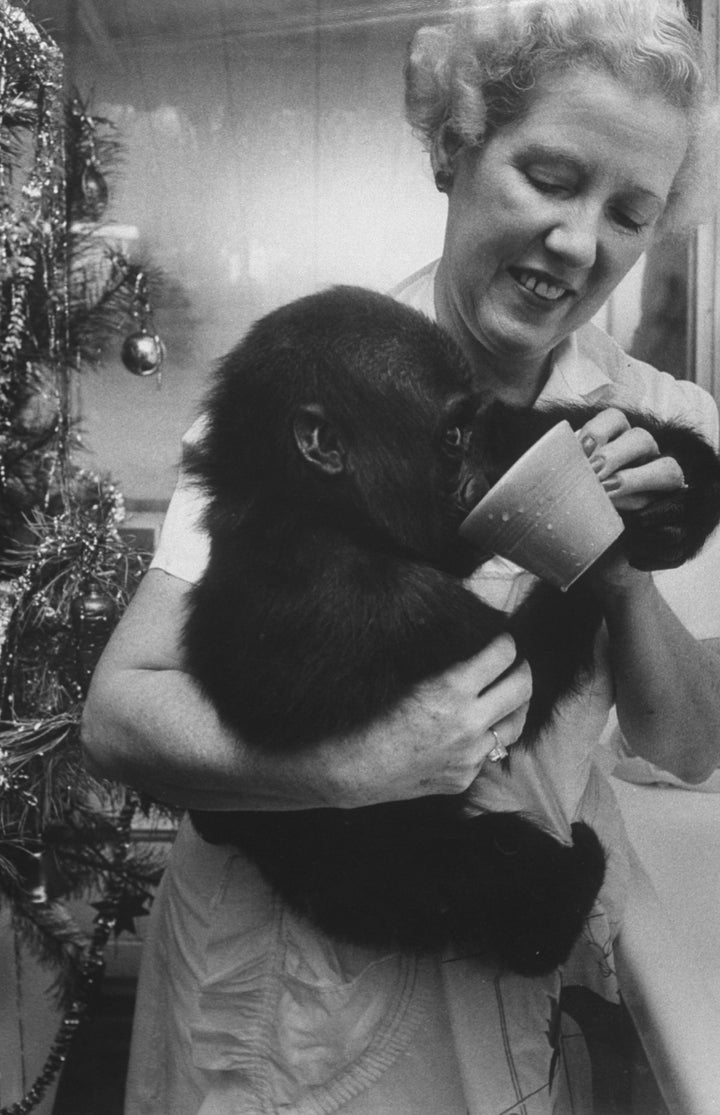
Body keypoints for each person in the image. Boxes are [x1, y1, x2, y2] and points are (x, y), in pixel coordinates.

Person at [82, 1, 720, 1112]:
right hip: (281, 994)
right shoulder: (314, 379)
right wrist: (354, 762)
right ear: (456, 145)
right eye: (553, 176)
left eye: (631, 210)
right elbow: (120, 716)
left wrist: (618, 564)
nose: (582, 242)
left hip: (488, 991)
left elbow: (689, 743)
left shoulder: (657, 414)